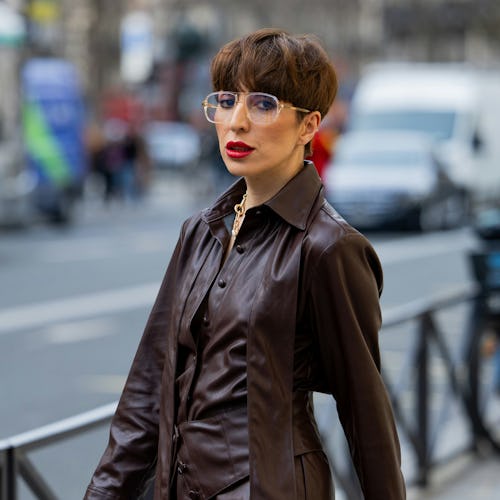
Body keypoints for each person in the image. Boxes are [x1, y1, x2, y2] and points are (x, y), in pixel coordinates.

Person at [84, 28, 406, 499]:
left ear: (309, 125)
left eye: (262, 104)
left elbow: (366, 412)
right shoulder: (199, 232)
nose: (236, 122)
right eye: (227, 100)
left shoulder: (328, 247)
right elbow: (147, 388)